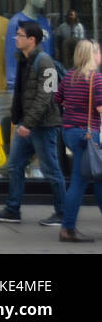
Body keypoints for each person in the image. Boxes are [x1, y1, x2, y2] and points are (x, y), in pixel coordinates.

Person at [0, 21, 67, 226]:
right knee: (14, 165)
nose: (16, 38)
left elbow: (46, 96)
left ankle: (63, 213)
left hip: (43, 126)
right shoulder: (23, 60)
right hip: (27, 124)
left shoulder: (45, 62)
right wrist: (18, 119)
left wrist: (28, 124)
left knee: (51, 170)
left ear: (32, 39)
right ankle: (13, 209)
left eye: (20, 35)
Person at [54, 39, 102, 242]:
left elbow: (57, 99)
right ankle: (67, 228)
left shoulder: (69, 77)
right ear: (92, 55)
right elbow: (100, 108)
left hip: (70, 132)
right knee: (79, 181)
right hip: (88, 134)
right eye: (98, 52)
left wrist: (74, 108)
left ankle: (68, 227)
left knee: (98, 178)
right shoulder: (96, 79)